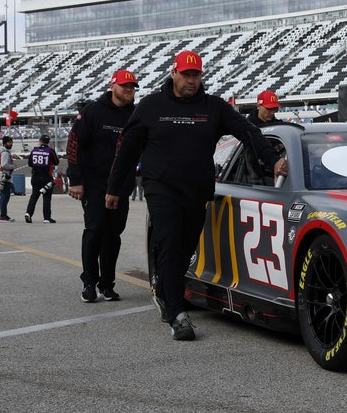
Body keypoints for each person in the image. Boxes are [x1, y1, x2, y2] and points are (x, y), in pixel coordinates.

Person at [104, 50, 288, 341]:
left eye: (196, 74)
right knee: (169, 239)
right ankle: (177, 313)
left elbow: (247, 131)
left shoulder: (213, 107)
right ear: (173, 73)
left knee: (184, 249)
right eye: (186, 74)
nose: (191, 80)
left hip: (197, 190)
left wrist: (273, 158)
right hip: (161, 188)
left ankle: (166, 292)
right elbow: (127, 149)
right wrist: (114, 189)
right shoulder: (151, 106)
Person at [67, 69, 139, 303]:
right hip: (94, 183)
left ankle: (107, 284)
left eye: (132, 87)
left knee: (113, 235)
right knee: (95, 230)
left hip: (121, 187)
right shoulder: (93, 111)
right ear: (113, 86)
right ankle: (89, 282)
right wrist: (75, 180)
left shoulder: (136, 115)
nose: (129, 90)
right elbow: (74, 144)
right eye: (125, 86)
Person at [24, 134, 60, 223]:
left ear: (40, 141)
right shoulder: (50, 151)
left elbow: (30, 163)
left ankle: (28, 213)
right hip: (46, 177)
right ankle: (46, 218)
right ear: (48, 142)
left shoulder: (34, 150)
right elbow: (56, 162)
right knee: (47, 198)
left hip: (35, 177)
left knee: (34, 196)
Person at [0, 135, 17, 222]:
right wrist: (13, 166)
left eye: (11, 142)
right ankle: (3, 215)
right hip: (4, 176)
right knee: (5, 196)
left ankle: (4, 214)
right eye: (9, 142)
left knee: (5, 196)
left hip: (3, 175)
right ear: (5, 143)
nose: (11, 144)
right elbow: (4, 165)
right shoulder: (5, 153)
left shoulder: (3, 151)